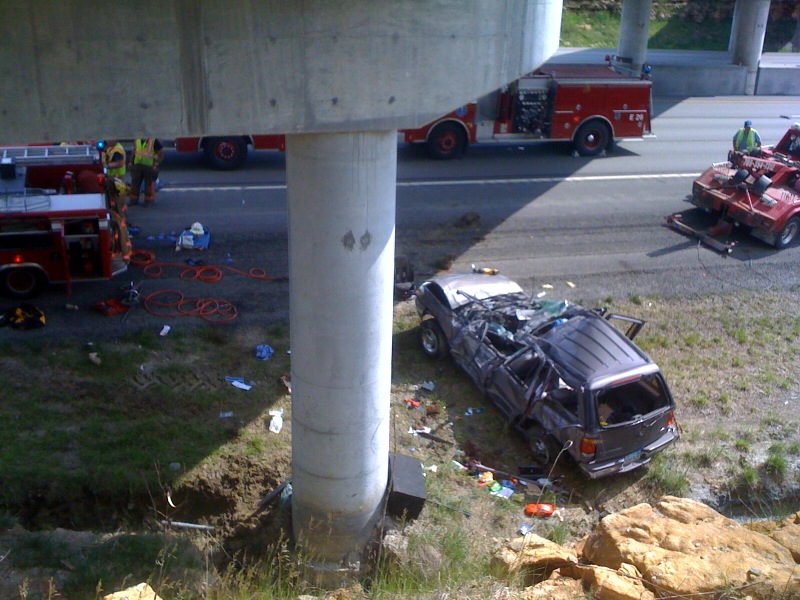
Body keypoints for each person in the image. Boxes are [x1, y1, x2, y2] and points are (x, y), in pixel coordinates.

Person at [128, 137, 164, 206]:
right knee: (135, 183)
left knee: (148, 184)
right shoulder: (137, 139)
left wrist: (157, 163)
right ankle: (133, 200)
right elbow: (134, 150)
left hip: (148, 166)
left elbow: (161, 151)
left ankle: (148, 201)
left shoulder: (153, 141)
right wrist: (131, 162)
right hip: (137, 165)